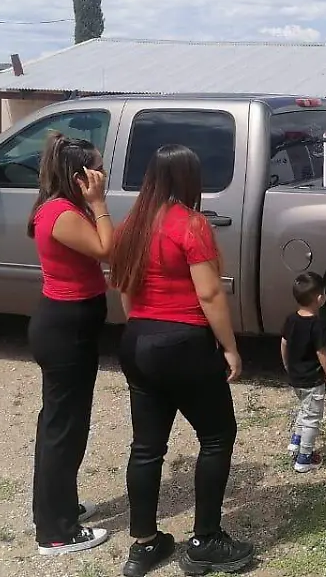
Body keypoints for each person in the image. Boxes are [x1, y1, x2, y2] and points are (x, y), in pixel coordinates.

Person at [108, 145, 253, 577]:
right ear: (190, 179)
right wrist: (229, 346)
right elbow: (209, 294)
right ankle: (206, 539)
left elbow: (125, 288)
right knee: (216, 435)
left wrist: (143, 330)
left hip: (138, 340)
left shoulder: (132, 223)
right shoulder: (190, 225)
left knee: (147, 446)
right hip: (184, 340)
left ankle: (144, 544)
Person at [27, 133, 114, 556]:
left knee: (63, 423)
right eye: (98, 167)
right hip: (65, 329)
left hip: (68, 325)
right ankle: (56, 532)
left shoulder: (60, 207)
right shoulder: (62, 213)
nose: (104, 173)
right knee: (63, 427)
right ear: (81, 175)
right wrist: (100, 205)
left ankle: (56, 506)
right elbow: (107, 247)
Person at [281, 271, 326, 473]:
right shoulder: (317, 325)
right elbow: (321, 352)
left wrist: (287, 364)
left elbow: (284, 343)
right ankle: (304, 458)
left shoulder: (290, 319)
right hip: (312, 380)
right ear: (319, 299)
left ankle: (295, 442)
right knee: (312, 418)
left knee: (304, 410)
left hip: (295, 378)